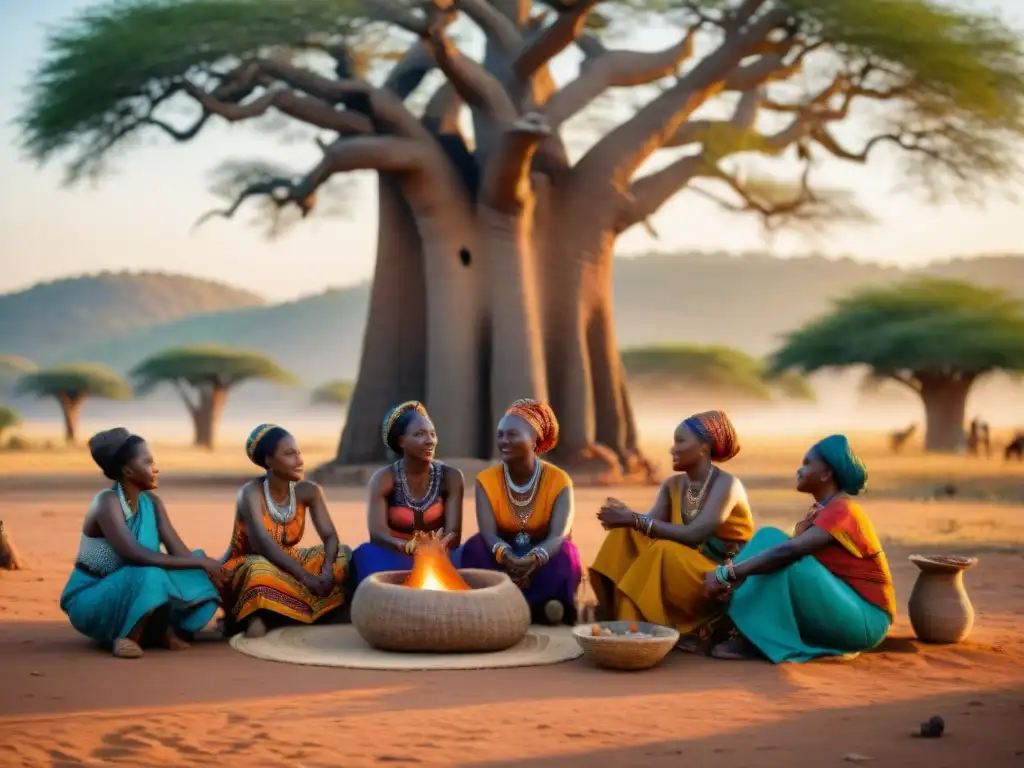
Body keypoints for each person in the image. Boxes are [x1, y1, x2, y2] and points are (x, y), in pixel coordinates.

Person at [706, 434, 896, 663]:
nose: (799, 470)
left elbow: (787, 552)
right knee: (771, 545)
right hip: (840, 609)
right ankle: (740, 622)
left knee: (774, 543)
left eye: (807, 464)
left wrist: (728, 573)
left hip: (866, 621)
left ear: (826, 473)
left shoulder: (842, 510)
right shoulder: (820, 512)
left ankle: (755, 637)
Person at [589, 410, 753, 650]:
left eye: (680, 441)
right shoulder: (673, 485)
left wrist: (633, 519)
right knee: (624, 534)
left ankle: (684, 625)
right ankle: (618, 614)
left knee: (663, 550)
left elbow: (696, 533)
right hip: (681, 570)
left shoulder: (727, 485)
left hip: (718, 579)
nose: (672, 449)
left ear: (704, 448)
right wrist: (624, 517)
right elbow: (647, 527)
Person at [60, 428, 225, 659]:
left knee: (197, 567)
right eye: (148, 462)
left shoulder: (153, 503)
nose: (155, 468)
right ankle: (129, 636)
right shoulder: (107, 502)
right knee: (150, 574)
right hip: (92, 597)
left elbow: (181, 553)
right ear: (128, 470)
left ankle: (161, 631)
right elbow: (134, 554)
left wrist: (209, 566)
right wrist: (199, 563)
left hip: (140, 581)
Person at [221, 424, 352, 638]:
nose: (299, 461)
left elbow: (329, 536)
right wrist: (305, 577)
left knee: (342, 554)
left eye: (299, 453)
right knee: (258, 569)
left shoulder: (309, 491)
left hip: (289, 562)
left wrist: (327, 569)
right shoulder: (250, 493)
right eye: (290, 454)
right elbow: (262, 544)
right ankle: (260, 615)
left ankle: (283, 614)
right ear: (268, 461)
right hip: (249, 562)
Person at [460, 398, 582, 624]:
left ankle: (532, 606)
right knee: (475, 547)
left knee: (567, 552)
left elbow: (559, 534)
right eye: (500, 435)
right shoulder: (486, 480)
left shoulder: (559, 480)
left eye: (512, 434)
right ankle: (528, 607)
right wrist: (507, 556)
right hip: (502, 556)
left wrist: (533, 558)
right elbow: (488, 532)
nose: (504, 441)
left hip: (543, 556)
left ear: (534, 440)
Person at [352, 401, 464, 584]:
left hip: (440, 553)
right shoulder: (384, 478)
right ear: (401, 441)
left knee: (467, 558)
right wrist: (406, 547)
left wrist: (432, 550)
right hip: (395, 554)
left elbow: (454, 534)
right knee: (366, 557)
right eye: (419, 434)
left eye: (432, 434)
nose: (430, 441)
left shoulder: (451, 477)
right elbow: (377, 533)